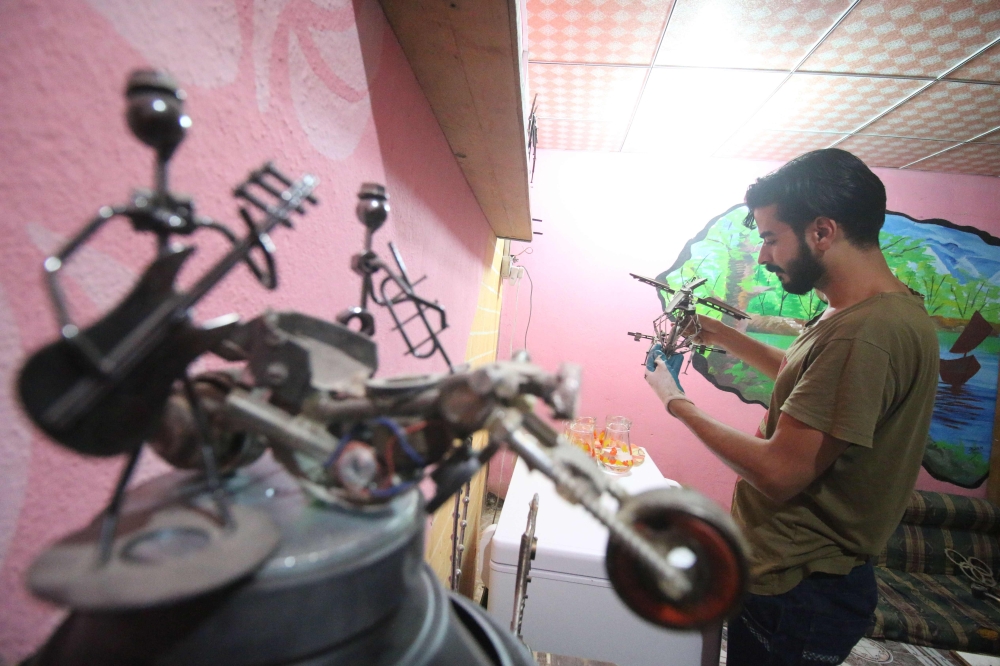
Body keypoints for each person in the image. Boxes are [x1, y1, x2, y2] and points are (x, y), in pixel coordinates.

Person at [644, 149, 939, 666]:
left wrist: (676, 403)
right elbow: (811, 381)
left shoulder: (865, 334)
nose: (763, 256)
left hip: (800, 589)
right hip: (796, 579)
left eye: (771, 237)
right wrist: (721, 336)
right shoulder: (864, 312)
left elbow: (781, 473)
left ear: (822, 232)